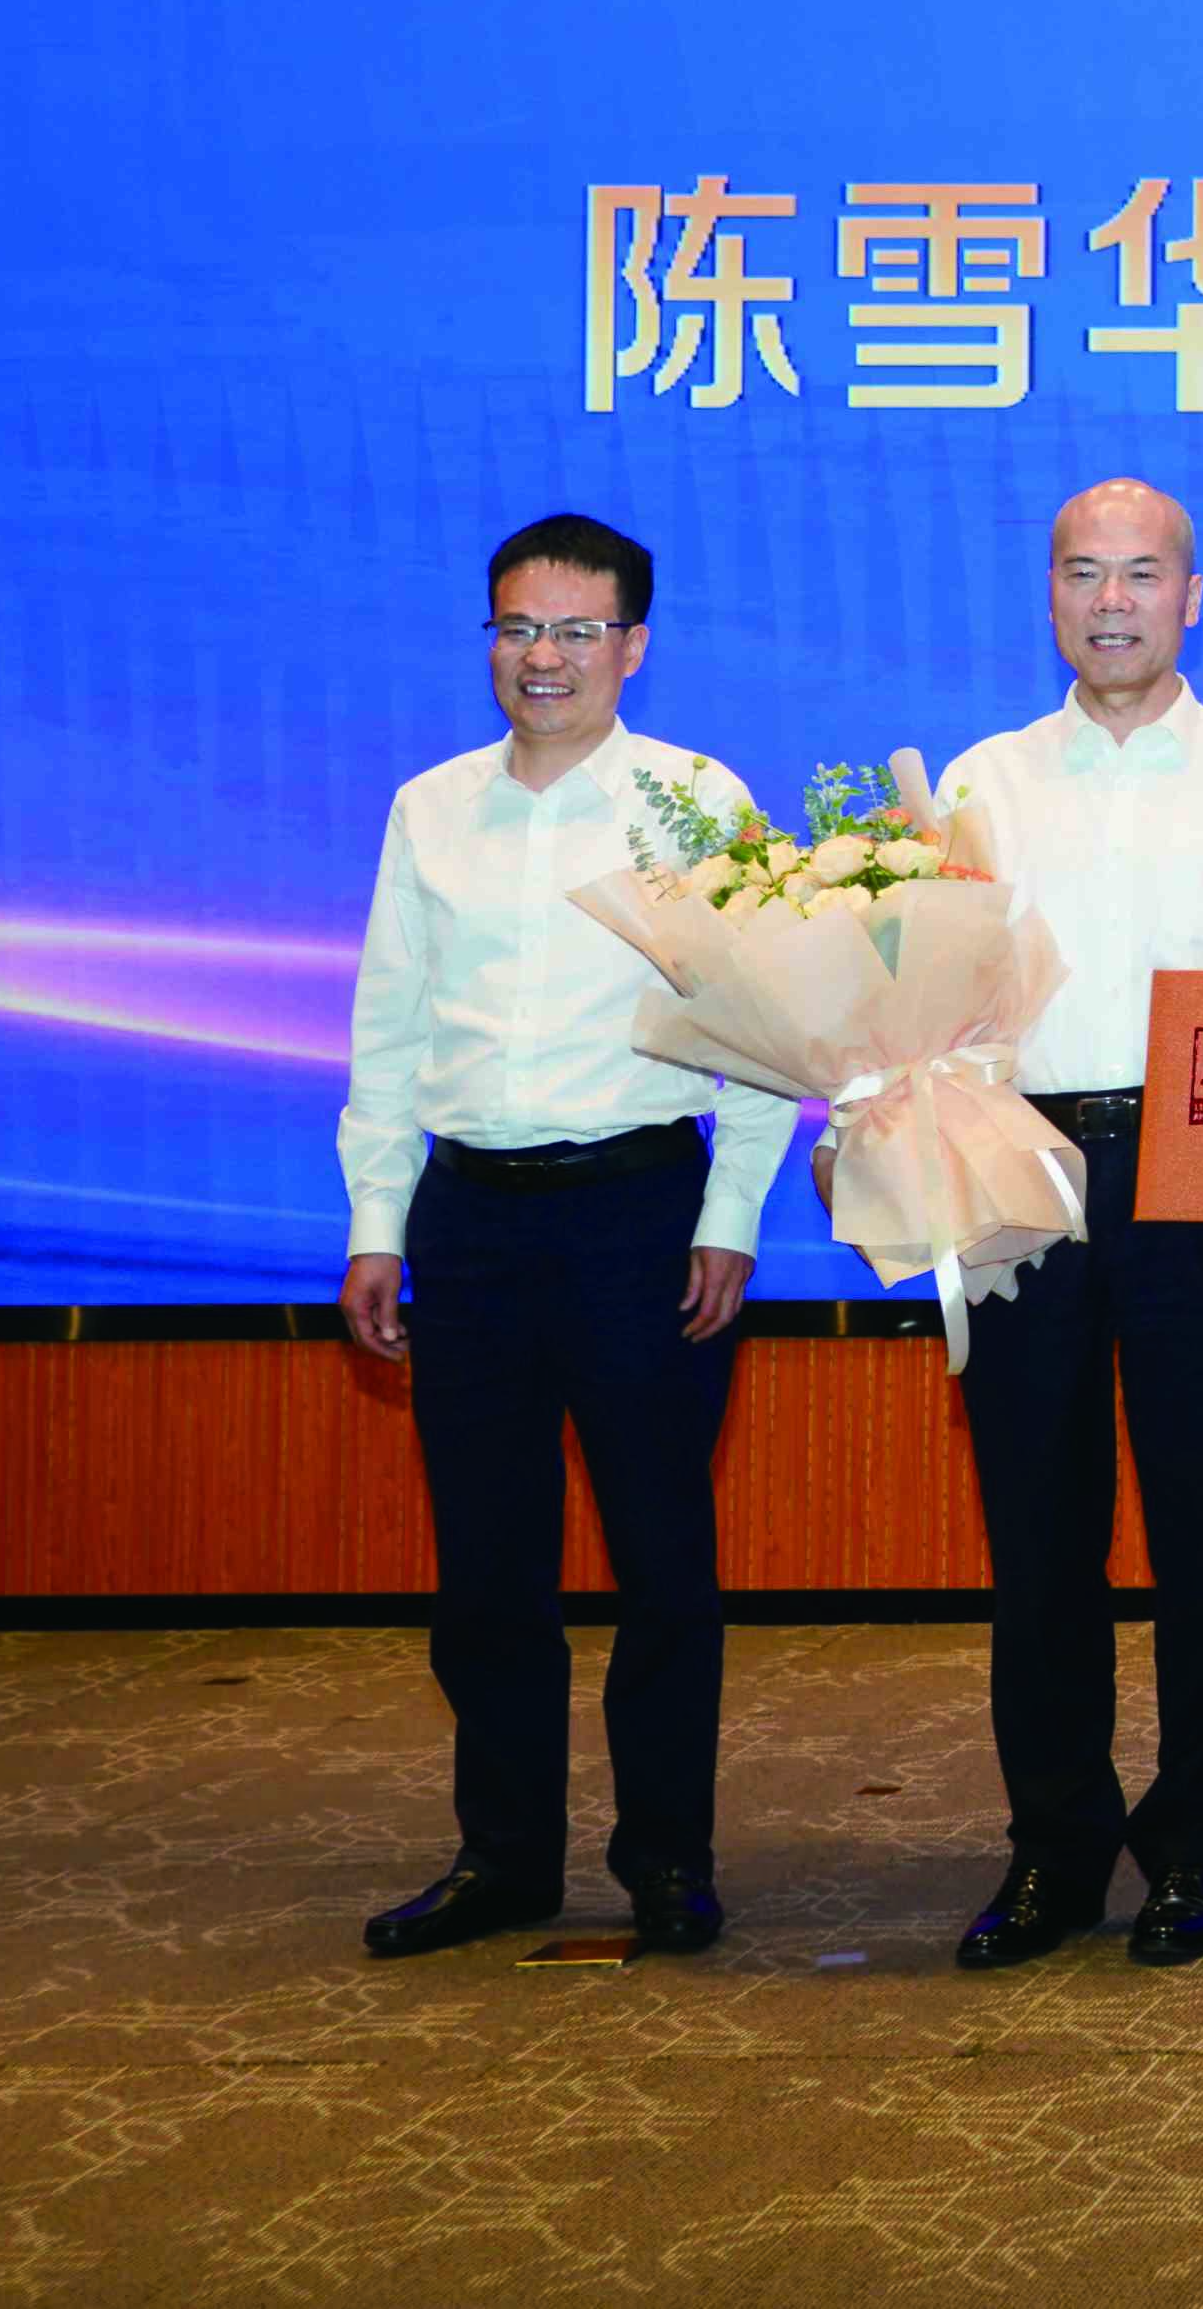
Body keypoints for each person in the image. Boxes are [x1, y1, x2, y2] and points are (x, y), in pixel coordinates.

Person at [337, 513, 792, 1961]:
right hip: (469, 1218)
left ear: (634, 645)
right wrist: (377, 1222)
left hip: (636, 1212)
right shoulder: (431, 807)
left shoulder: (691, 801)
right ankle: (505, 1856)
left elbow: (771, 1021)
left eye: (576, 631)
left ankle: (667, 1857)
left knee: (662, 1558)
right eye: (517, 628)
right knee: (487, 1567)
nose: (543, 658)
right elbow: (388, 1027)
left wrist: (730, 1215)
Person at [927, 479, 1203, 1970]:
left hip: (1200, 1174)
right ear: (1050, 594)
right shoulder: (980, 782)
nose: (1113, 600)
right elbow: (928, 990)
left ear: (1192, 593)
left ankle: (1194, 1844)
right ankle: (1053, 1846)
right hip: (1020, 1162)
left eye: (1142, 572)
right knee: (1038, 1533)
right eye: (1083, 573)